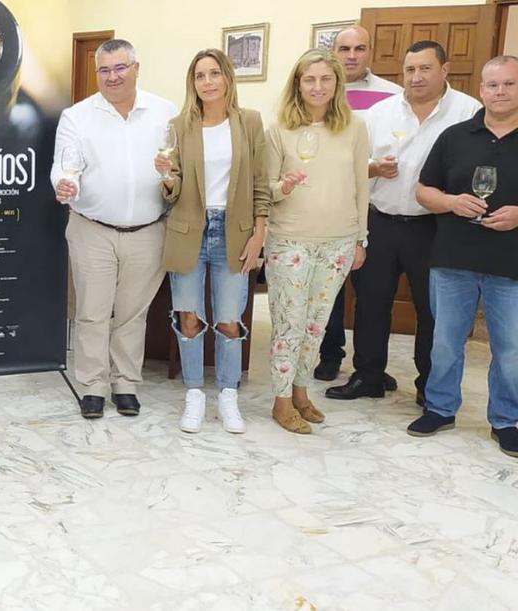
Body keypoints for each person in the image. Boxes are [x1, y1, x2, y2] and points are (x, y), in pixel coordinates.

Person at [325, 41, 481, 406]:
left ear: (445, 70)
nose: (416, 77)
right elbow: (354, 168)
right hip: (381, 221)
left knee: (433, 309)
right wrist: (375, 168)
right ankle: (368, 375)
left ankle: (429, 385)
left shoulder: (467, 111)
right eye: (410, 70)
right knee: (371, 303)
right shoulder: (380, 112)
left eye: (425, 69)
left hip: (436, 225)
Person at [51, 38, 175, 419]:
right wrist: (63, 184)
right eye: (104, 70)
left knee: (132, 315)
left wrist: (171, 176)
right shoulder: (77, 116)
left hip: (149, 230)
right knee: (92, 311)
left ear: (136, 68)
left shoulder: (165, 113)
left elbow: (179, 167)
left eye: (120, 68)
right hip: (93, 228)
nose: (112, 77)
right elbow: (63, 166)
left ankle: (125, 384)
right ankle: (92, 386)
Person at [407, 55, 518, 458]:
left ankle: (506, 420)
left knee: (510, 349)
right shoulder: (455, 136)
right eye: (493, 85)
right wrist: (452, 202)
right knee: (446, 342)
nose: (500, 92)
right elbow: (423, 191)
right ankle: (440, 408)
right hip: (453, 258)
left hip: (511, 264)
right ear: (482, 89)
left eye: (509, 84)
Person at [156, 48, 267, 434]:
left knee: (229, 321)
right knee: (188, 318)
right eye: (200, 76)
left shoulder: (250, 122)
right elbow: (174, 190)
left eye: (214, 73)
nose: (207, 82)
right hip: (189, 231)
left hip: (233, 232)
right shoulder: (179, 126)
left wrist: (259, 233)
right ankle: (193, 394)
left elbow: (260, 184)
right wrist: (168, 178)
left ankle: (227, 393)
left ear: (227, 78)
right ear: (193, 83)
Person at [263, 49, 369, 434]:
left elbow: (361, 184)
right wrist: (282, 186)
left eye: (326, 79)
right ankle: (280, 399)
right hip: (290, 240)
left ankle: (302, 392)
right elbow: (267, 189)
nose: (318, 86)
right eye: (310, 79)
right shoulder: (279, 130)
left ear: (337, 84)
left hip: (339, 242)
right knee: (289, 324)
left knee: (316, 326)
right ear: (298, 84)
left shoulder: (355, 128)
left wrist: (361, 239)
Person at [315, 25, 404, 382]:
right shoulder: (319, 91)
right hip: (329, 204)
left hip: (375, 205)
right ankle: (329, 353)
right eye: (344, 48)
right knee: (329, 288)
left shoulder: (390, 95)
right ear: (333, 51)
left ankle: (368, 366)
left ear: (370, 52)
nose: (351, 55)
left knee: (370, 291)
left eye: (359, 48)